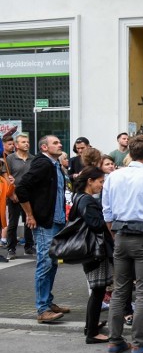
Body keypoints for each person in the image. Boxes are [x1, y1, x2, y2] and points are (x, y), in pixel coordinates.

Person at [101, 134, 143, 353]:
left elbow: (107, 212)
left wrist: (114, 235)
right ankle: (139, 342)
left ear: (129, 153)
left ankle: (115, 340)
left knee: (120, 291)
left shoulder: (113, 177)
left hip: (121, 235)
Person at [15, 135, 70, 323]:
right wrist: (30, 215)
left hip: (56, 222)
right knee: (45, 264)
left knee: (52, 263)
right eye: (55, 143)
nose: (60, 144)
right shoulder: (43, 164)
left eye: (59, 142)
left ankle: (48, 302)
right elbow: (21, 188)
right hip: (45, 223)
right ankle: (42, 309)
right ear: (45, 147)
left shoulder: (55, 165)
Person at [70, 166, 114, 344]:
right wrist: (108, 218)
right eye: (100, 182)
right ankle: (92, 333)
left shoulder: (79, 197)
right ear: (90, 181)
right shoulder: (87, 200)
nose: (102, 186)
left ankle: (91, 326)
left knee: (97, 290)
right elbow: (95, 224)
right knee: (98, 290)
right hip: (94, 251)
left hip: (90, 250)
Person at [6, 133, 36, 259]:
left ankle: (28, 247)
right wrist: (12, 193)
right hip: (14, 195)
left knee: (29, 220)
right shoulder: (10, 158)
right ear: (17, 145)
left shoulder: (33, 158)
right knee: (13, 223)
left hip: (29, 195)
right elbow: (6, 176)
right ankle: (11, 248)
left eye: (27, 141)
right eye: (23, 142)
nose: (26, 144)